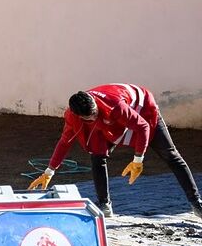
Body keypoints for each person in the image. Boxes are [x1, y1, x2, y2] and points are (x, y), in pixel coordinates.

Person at [29, 83, 202, 219]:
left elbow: (142, 126)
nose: (93, 118)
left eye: (94, 113)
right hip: (109, 121)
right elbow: (65, 141)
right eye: (89, 118)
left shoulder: (115, 105)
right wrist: (49, 171)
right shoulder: (73, 116)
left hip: (142, 109)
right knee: (97, 156)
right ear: (80, 116)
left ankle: (196, 203)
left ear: (94, 103)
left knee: (170, 155)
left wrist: (138, 160)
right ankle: (105, 205)